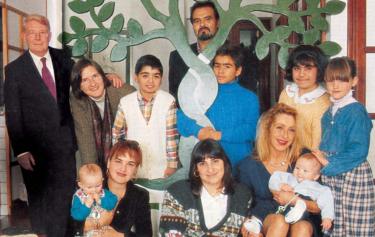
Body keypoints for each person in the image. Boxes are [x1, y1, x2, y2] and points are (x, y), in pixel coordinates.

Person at [4, 14, 77, 236]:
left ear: (49, 35)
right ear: (25, 36)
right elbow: (13, 113)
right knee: (39, 202)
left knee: (65, 198)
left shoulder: (64, 59)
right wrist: (22, 150)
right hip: (34, 151)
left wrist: (108, 76)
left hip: (65, 145)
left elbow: (83, 79)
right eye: (32, 32)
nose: (37, 37)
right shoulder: (14, 70)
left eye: (42, 32)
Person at [238, 103, 322, 237]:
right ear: (267, 128)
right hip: (265, 222)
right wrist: (249, 229)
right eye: (279, 128)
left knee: (303, 227)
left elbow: (321, 204)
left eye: (291, 130)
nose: (285, 135)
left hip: (301, 219)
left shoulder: (305, 159)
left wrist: (294, 200)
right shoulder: (248, 166)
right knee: (279, 221)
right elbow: (241, 208)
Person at [313, 57, 375, 236]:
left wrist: (328, 163)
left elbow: (359, 150)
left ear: (354, 81)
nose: (335, 85)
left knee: (354, 227)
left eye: (342, 79)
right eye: (331, 80)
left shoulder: (356, 110)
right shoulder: (328, 113)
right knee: (333, 223)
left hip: (352, 175)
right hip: (331, 175)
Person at [177, 44, 259, 170]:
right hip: (207, 166)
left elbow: (251, 131)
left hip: (239, 164)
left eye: (227, 66)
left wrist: (219, 135)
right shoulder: (200, 92)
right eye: (217, 66)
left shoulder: (249, 98)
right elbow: (179, 117)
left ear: (238, 70)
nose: (220, 71)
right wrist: (198, 131)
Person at [169, 1, 256, 106]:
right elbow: (175, 98)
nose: (202, 24)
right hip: (193, 119)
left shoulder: (242, 54)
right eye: (197, 21)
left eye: (207, 19)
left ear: (217, 22)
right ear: (192, 25)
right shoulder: (178, 57)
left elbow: (248, 94)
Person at [159, 139, 252, 236]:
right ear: (196, 169)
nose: (210, 169)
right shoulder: (177, 193)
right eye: (203, 163)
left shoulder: (243, 194)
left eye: (215, 161)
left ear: (225, 163)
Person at [112, 54, 178, 179]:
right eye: (145, 75)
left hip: (161, 165)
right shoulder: (125, 102)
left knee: (158, 195)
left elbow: (172, 136)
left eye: (156, 76)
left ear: (161, 79)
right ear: (136, 77)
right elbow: (117, 135)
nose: (150, 81)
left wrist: (172, 165)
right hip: (132, 167)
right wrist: (122, 163)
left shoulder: (168, 101)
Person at [71, 140, 152, 237]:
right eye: (118, 161)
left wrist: (119, 235)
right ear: (108, 163)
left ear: (135, 169)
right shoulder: (87, 188)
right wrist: (98, 223)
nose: (123, 168)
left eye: (130, 164)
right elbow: (68, 226)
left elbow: (146, 235)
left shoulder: (140, 195)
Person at [70, 58, 135, 172]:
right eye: (85, 80)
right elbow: (85, 138)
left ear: (103, 76)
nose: (93, 83)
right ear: (79, 86)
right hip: (99, 155)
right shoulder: (78, 99)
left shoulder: (124, 92)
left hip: (127, 154)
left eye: (95, 76)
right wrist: (92, 173)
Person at [245, 153, 334, 234]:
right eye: (297, 168)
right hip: (279, 206)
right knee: (266, 207)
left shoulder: (318, 188)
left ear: (316, 176)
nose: (299, 173)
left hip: (300, 208)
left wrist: (327, 217)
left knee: (302, 212)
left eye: (305, 171)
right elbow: (274, 178)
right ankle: (256, 223)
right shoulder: (289, 177)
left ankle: (298, 208)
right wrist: (280, 185)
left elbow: (327, 202)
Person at [279, 45, 330, 150]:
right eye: (297, 68)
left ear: (319, 70)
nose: (301, 74)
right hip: (283, 153)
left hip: (310, 159)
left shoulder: (324, 102)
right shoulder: (287, 93)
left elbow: (318, 147)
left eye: (308, 68)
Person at [71, 164, 117, 236]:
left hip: (104, 231)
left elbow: (113, 202)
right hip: (86, 233)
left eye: (98, 185)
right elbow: (76, 215)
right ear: (80, 185)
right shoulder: (79, 197)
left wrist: (101, 201)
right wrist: (86, 206)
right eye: (89, 187)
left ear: (102, 180)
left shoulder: (104, 193)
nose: (94, 190)